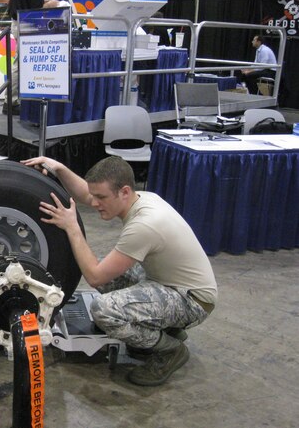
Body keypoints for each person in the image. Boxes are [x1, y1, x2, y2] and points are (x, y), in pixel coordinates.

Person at [22, 155, 217, 386]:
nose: (94, 203)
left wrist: (72, 227)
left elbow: (94, 275)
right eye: (95, 196)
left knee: (104, 310)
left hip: (192, 301)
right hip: (167, 282)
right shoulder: (139, 198)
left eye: (101, 197)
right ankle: (166, 327)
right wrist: (61, 168)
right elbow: (87, 192)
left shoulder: (144, 225)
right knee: (107, 274)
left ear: (124, 191)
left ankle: (169, 350)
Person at [4, 0, 59, 115]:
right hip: (25, 25)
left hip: (19, 22)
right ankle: (11, 101)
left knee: (20, 63)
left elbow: (28, 3)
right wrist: (51, 4)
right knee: (20, 64)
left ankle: (12, 100)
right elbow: (35, 9)